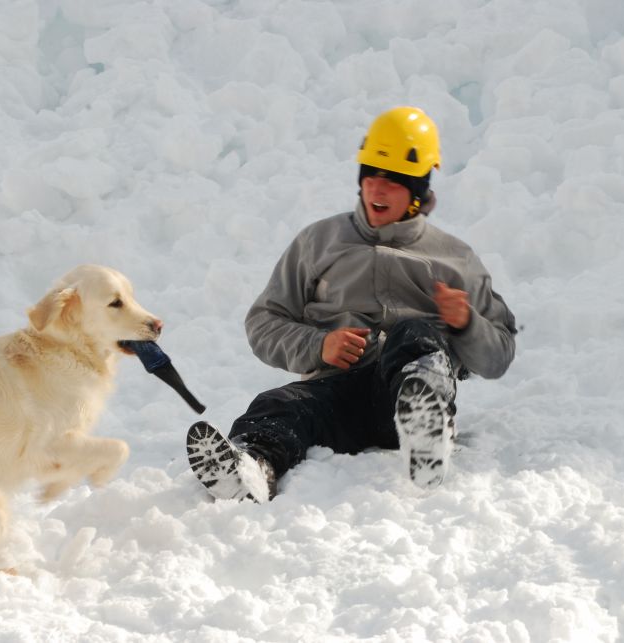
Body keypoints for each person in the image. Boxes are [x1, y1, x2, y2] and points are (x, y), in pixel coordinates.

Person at [186, 106, 517, 502]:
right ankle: (251, 469)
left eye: (394, 181)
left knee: (416, 334)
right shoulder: (319, 242)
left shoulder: (453, 258)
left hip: (404, 394)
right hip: (336, 393)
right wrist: (318, 345)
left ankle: (427, 429)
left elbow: (499, 352)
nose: (377, 189)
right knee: (279, 404)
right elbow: (263, 322)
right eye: (371, 176)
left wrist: (466, 323)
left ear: (417, 191)